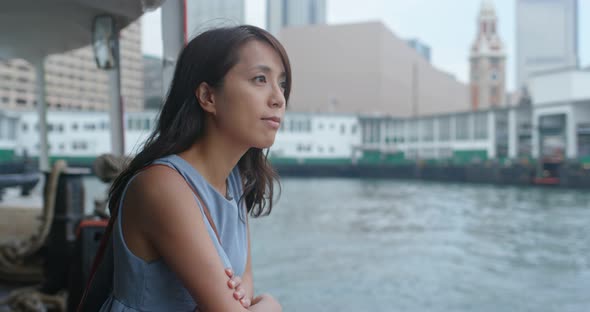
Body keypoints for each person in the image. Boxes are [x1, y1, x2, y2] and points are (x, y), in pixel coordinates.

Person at [98, 25, 290, 311]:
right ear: (208, 97)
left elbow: (244, 279)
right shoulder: (162, 187)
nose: (278, 98)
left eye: (282, 83)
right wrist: (272, 305)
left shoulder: (235, 181)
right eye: (260, 79)